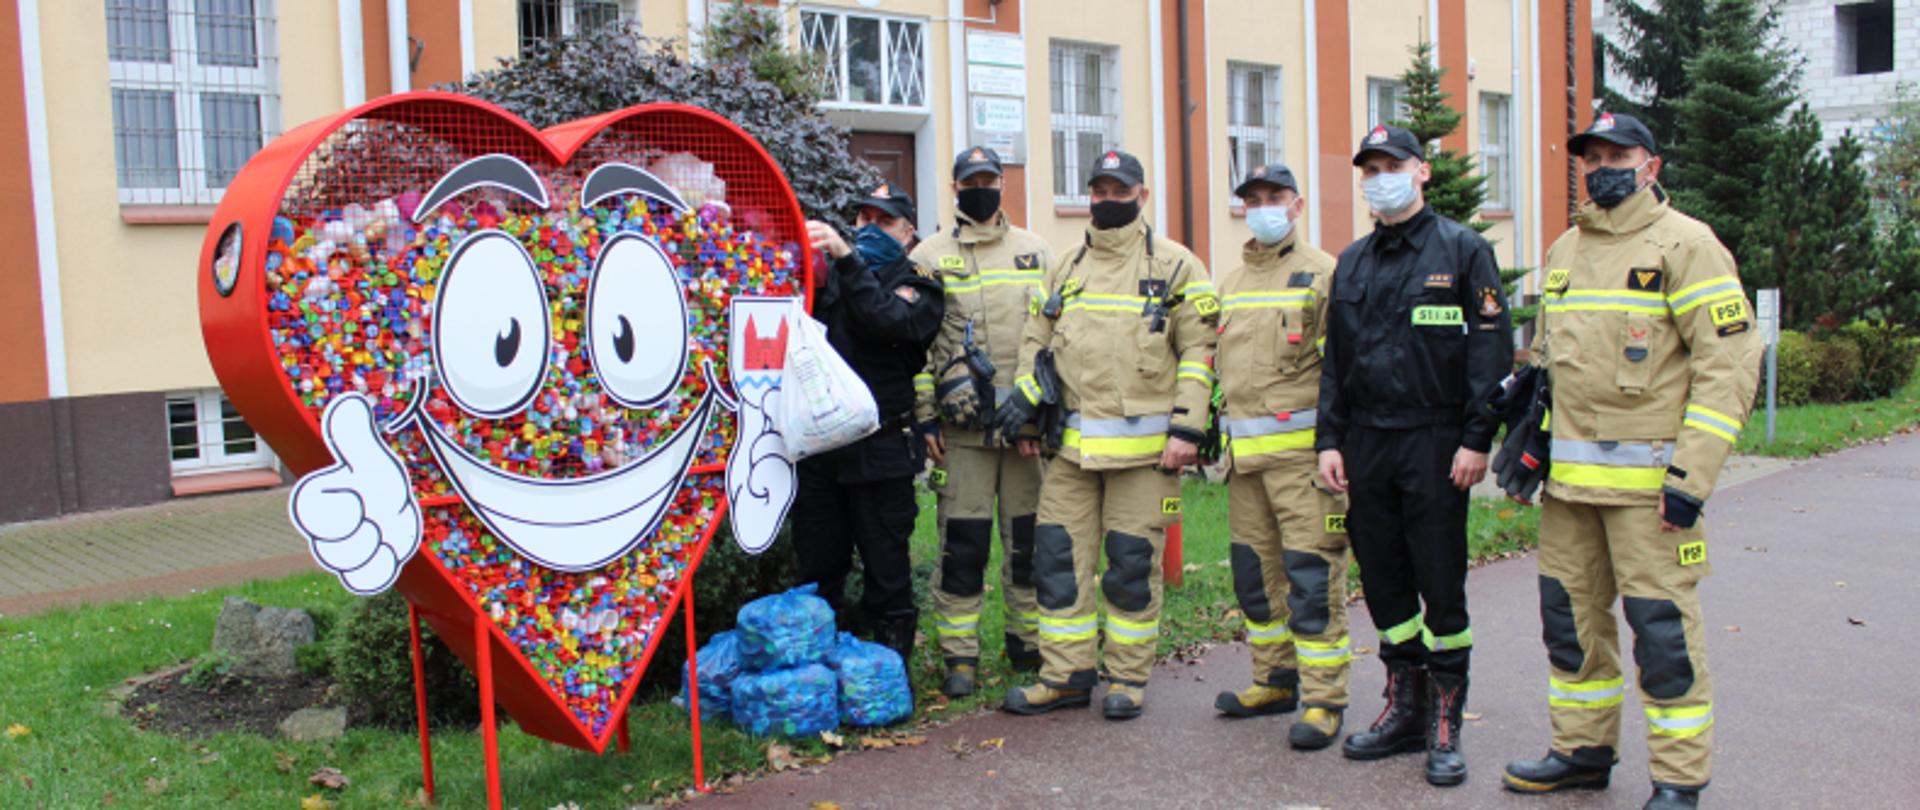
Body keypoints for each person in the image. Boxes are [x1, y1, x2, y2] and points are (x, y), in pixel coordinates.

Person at [1501, 112, 1760, 810]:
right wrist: (1529, 444)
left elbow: (1728, 368)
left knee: (1663, 635)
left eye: (1618, 156)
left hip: (1652, 497)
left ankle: (1679, 778)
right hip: (1569, 493)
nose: (1603, 168)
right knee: (1570, 626)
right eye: (1592, 157)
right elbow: (1551, 366)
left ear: (1652, 166)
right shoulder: (1565, 250)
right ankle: (1582, 752)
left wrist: (1691, 481)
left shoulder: (1688, 246)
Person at [1316, 125, 1512, 785]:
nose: (1381, 179)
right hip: (1367, 442)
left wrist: (1477, 438)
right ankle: (1405, 707)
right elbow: (1335, 363)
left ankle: (1445, 723)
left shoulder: (1462, 250)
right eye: (1370, 170)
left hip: (1435, 441)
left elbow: (1490, 353)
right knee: (1384, 581)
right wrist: (1329, 439)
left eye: (1392, 166)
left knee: (1440, 583)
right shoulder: (1352, 262)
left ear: (1422, 171)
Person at [992, 149, 1218, 720]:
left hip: (1146, 458)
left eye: (1121, 191)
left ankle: (1127, 678)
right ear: (1089, 195)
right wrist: (1026, 417)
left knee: (1130, 567)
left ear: (1142, 196)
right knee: (1057, 562)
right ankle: (1065, 674)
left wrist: (1188, 428)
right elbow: (1036, 343)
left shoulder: (1177, 266)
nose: (1109, 200)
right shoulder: (1066, 267)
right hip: (1069, 454)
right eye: (1100, 191)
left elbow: (1199, 351)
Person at [1209, 164, 1353, 751]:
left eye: (1275, 197)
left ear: (1297, 205)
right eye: (1253, 199)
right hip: (1245, 465)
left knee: (1312, 579)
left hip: (1304, 465)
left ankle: (1324, 699)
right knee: (1255, 578)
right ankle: (1274, 679)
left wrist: (1338, 447)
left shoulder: (1324, 274)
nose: (1263, 207)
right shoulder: (1231, 283)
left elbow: (1343, 371)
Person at [909, 146, 1054, 697]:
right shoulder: (928, 255)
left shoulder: (1035, 251)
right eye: (971, 182)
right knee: (963, 547)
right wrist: (926, 418)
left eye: (989, 180)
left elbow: (1052, 339)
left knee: (1027, 546)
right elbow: (916, 345)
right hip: (962, 435)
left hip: (1023, 435)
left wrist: (1039, 415)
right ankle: (960, 657)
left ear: (1002, 185)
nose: (981, 189)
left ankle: (1027, 644)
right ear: (955, 188)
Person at [794, 184, 944, 666]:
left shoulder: (920, 283)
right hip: (822, 452)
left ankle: (888, 679)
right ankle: (819, 677)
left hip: (882, 451)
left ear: (907, 232)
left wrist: (848, 261)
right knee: (818, 569)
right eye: (863, 219)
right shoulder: (833, 276)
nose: (870, 229)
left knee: (887, 573)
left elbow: (888, 321)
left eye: (884, 221)